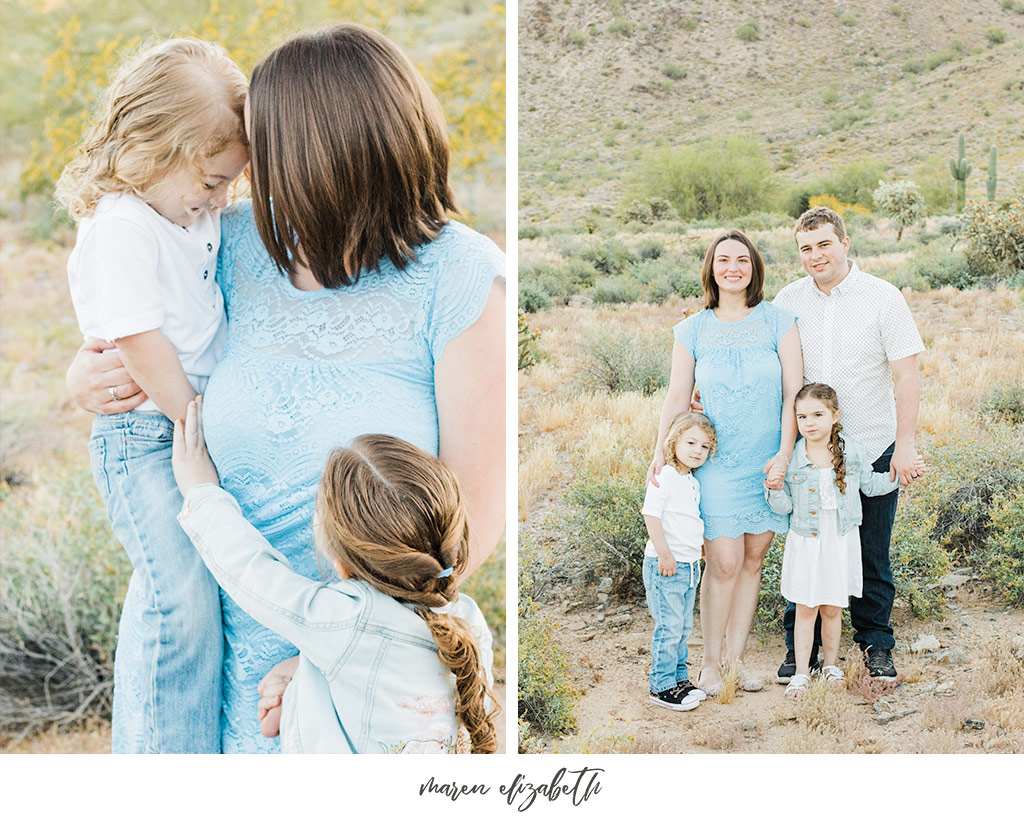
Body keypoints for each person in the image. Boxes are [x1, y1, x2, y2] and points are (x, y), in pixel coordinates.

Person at [65, 23, 505, 753]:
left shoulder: (457, 275)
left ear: (325, 157)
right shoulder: (233, 242)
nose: (247, 179)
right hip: (210, 652)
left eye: (265, 154)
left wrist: (348, 646)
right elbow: (135, 316)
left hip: (358, 677)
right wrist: (87, 375)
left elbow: (474, 519)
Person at [55, 38, 249, 753]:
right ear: (151, 148)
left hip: (179, 429)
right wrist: (195, 419)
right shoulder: (122, 227)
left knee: (194, 595)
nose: (220, 198)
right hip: (146, 435)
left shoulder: (185, 214)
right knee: (180, 603)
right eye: (209, 179)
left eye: (231, 181)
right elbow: (137, 337)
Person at [171, 399, 497, 752]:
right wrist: (303, 680)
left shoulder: (345, 621)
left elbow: (253, 572)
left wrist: (200, 492)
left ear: (344, 561)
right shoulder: (468, 622)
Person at [648, 230, 803, 696]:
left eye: (741, 260)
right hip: (715, 464)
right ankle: (710, 665)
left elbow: (793, 393)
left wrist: (784, 453)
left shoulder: (780, 321)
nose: (732, 268)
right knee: (723, 563)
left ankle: (736, 662)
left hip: (769, 462)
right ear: (711, 269)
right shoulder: (691, 330)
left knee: (754, 560)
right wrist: (660, 452)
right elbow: (678, 394)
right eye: (723, 261)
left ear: (754, 266)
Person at [773, 206, 924, 683]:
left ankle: (875, 641)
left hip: (873, 444)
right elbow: (771, 369)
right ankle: (803, 649)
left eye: (824, 244)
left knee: (870, 551)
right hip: (810, 453)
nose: (816, 255)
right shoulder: (788, 300)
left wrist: (904, 444)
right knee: (807, 540)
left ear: (845, 243)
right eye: (806, 248)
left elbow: (907, 374)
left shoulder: (884, 297)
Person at [765, 384, 924, 698]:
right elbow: (784, 507)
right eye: (802, 416)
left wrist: (903, 473)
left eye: (818, 414)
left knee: (833, 608)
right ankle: (800, 671)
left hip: (840, 540)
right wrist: (773, 488)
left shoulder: (852, 450)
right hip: (808, 541)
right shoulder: (794, 456)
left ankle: (831, 666)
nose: (809, 422)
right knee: (807, 606)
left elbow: (871, 486)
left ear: (835, 416)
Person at [642, 412, 716, 711]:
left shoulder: (691, 481)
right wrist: (665, 554)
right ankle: (661, 687)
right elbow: (651, 515)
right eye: (691, 442)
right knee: (668, 627)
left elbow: (688, 518)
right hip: (666, 566)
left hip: (688, 566)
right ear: (673, 442)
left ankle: (679, 679)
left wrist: (698, 547)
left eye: (705, 446)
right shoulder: (665, 475)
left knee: (683, 626)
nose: (697, 450)